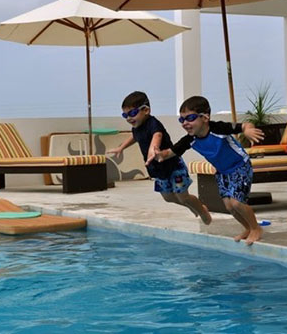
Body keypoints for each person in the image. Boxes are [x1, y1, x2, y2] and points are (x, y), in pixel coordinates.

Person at [148, 96, 265, 245]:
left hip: (240, 166)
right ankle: (248, 228)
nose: (185, 123)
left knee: (236, 203)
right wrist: (158, 154)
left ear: (205, 117)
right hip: (222, 172)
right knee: (229, 206)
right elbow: (170, 152)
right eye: (182, 120)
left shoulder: (218, 128)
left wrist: (248, 131)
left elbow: (245, 125)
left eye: (190, 118)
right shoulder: (190, 139)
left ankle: (256, 229)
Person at [108, 91, 212, 225]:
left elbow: (157, 135)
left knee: (183, 196)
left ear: (146, 110)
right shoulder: (136, 127)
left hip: (172, 165)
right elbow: (134, 137)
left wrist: (153, 148)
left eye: (132, 113)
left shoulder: (153, 123)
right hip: (158, 169)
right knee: (168, 197)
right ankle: (194, 206)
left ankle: (202, 209)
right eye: (125, 115)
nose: (129, 118)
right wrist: (121, 147)